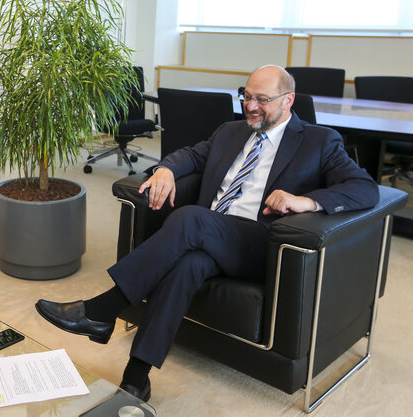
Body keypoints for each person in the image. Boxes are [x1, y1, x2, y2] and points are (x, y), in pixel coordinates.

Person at [35, 65, 379, 401]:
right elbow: (191, 155)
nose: (251, 106)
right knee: (189, 265)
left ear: (288, 101)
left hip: (260, 243)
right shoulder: (231, 131)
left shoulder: (318, 141)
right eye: (246, 96)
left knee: (190, 219)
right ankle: (136, 378)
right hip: (209, 235)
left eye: (262, 99)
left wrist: (307, 201)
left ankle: (103, 309)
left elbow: (365, 189)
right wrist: (167, 169)